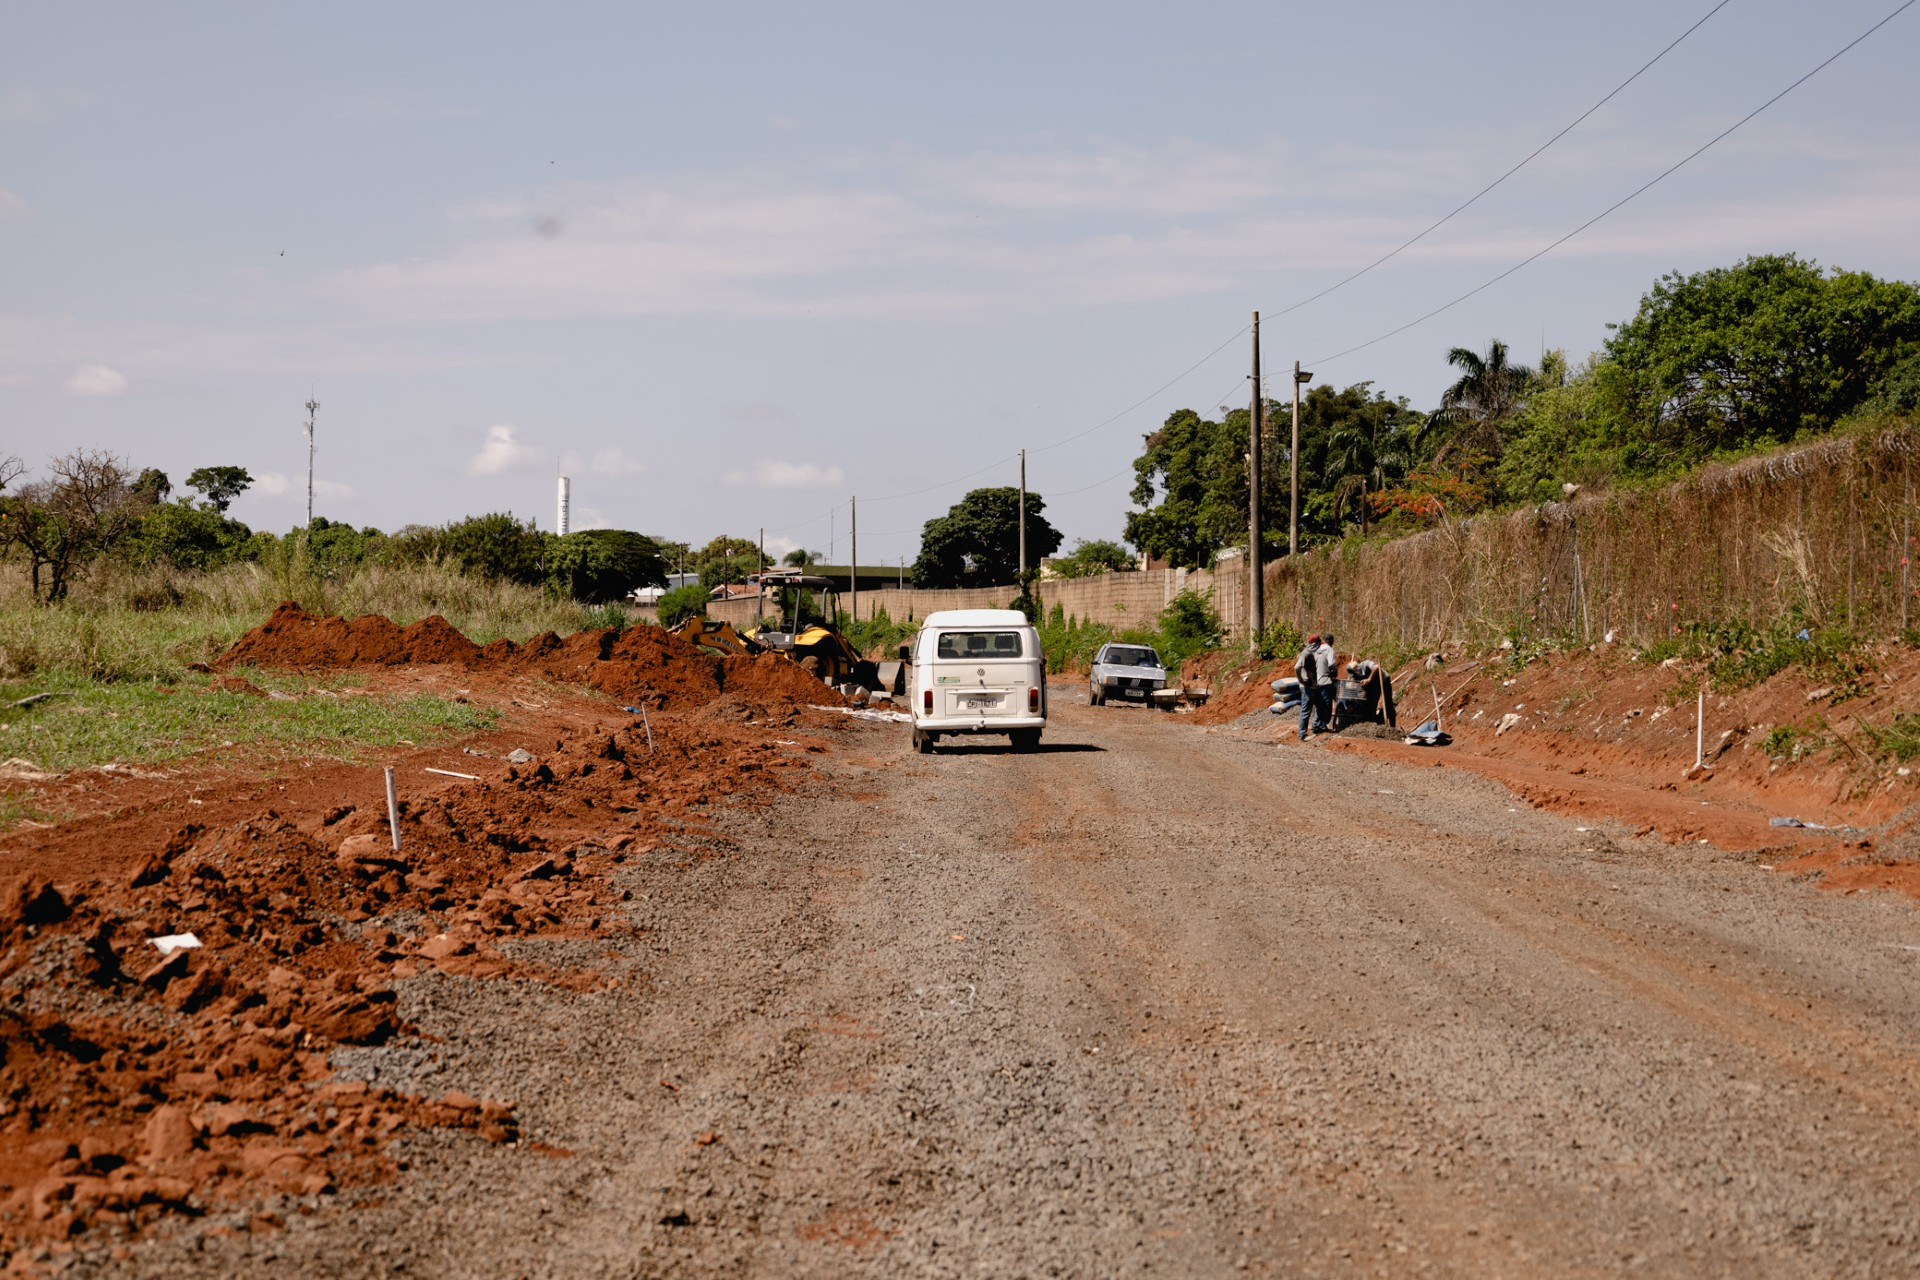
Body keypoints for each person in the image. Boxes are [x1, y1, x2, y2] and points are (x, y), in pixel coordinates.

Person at [1295, 633, 1329, 740]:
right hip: (1307, 688)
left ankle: (1317, 727)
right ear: (1315, 644)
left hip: (1315, 686)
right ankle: (1302, 734)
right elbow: (1297, 667)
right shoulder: (1306, 653)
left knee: (1321, 705)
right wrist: (1302, 680)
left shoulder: (1313, 653)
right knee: (1306, 711)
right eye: (1319, 644)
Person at [1313, 632, 1339, 731]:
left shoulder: (1316, 649)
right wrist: (1335, 673)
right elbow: (1332, 664)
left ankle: (1316, 724)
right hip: (1325, 681)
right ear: (1332, 642)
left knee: (1319, 704)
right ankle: (1323, 725)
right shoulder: (1329, 650)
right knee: (1327, 703)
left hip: (1315, 681)